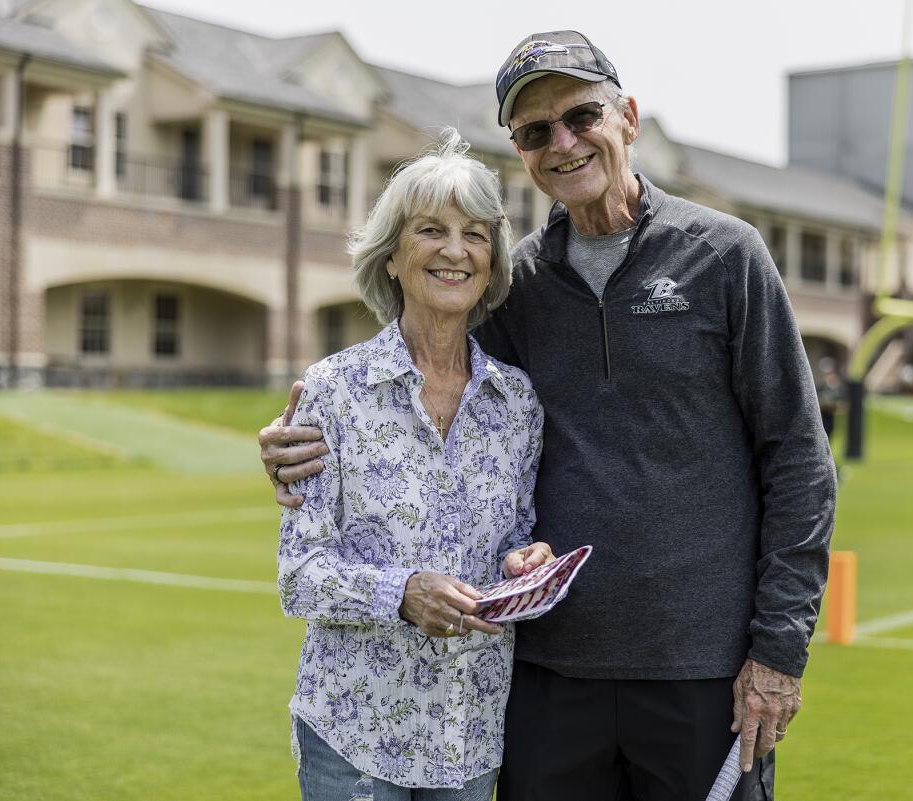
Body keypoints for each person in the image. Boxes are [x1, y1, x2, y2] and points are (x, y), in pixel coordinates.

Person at [262, 31, 836, 801]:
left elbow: (799, 461)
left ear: (627, 117)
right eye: (536, 132)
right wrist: (290, 448)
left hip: (704, 671)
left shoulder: (727, 256)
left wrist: (779, 652)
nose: (563, 142)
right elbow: (425, 384)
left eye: (581, 115)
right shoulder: (516, 284)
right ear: (521, 153)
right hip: (546, 678)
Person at [277, 129, 553, 801]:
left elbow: (515, 537)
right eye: (432, 229)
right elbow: (300, 576)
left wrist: (527, 564)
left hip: (470, 729)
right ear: (392, 257)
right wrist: (401, 593)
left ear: (492, 263)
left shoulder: (517, 401)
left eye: (476, 234)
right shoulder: (331, 392)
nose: (456, 250)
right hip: (354, 730)